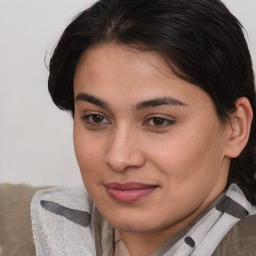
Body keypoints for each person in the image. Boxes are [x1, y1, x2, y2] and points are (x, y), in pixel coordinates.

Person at [1, 0, 256, 255]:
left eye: (158, 121)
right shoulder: (13, 228)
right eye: (96, 118)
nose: (119, 158)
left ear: (235, 128)